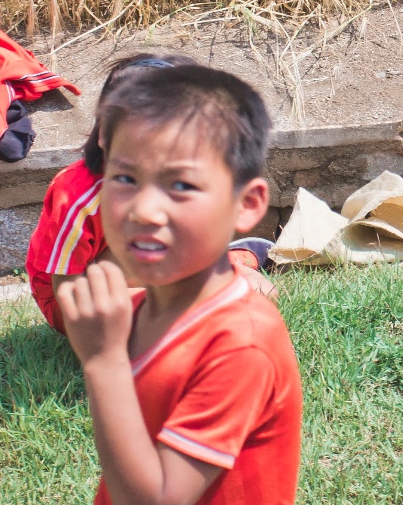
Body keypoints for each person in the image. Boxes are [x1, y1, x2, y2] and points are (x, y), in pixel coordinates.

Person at [53, 62, 301, 505]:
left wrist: (100, 361)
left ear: (248, 203)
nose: (143, 208)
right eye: (124, 176)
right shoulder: (142, 303)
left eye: (181, 185)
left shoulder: (240, 342)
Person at [27, 54, 271, 332]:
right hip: (79, 297)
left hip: (144, 268)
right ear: (106, 134)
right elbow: (69, 294)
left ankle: (232, 260)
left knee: (263, 295)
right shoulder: (76, 196)